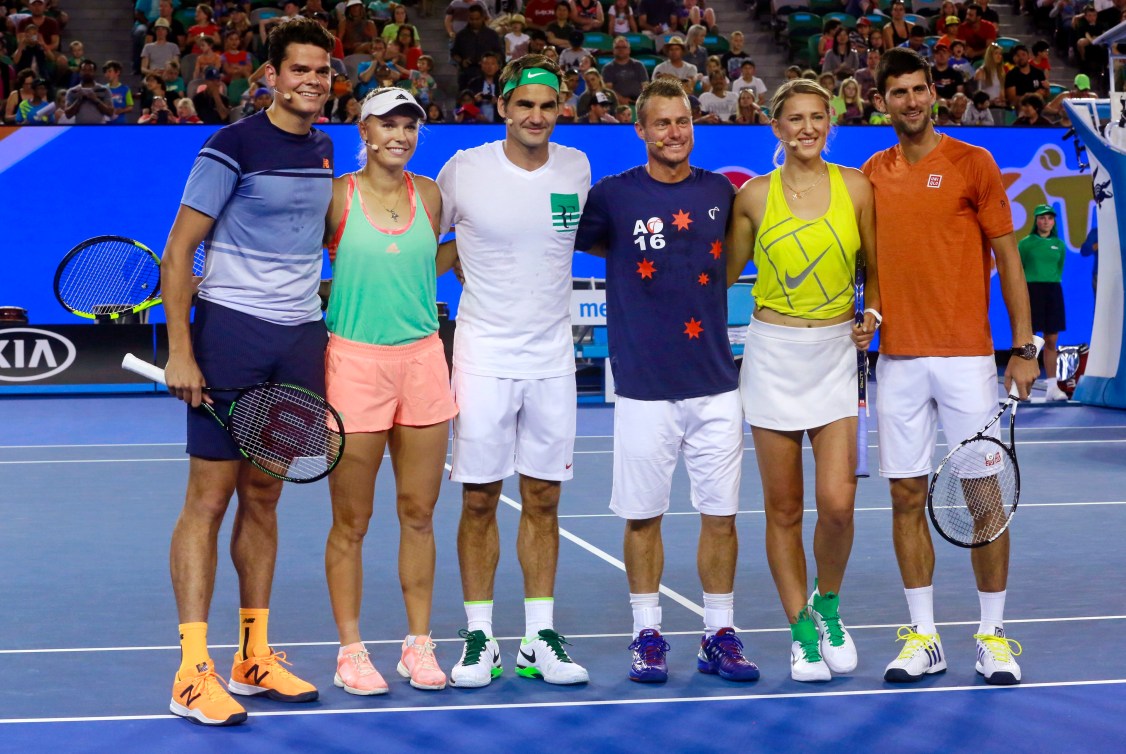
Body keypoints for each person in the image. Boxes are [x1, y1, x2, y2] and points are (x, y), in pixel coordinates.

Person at [160, 17, 336, 726]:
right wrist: (181, 348)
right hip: (231, 333)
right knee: (210, 497)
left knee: (264, 496)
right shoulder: (229, 145)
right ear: (271, 74)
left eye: (322, 72)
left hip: (298, 341)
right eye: (300, 70)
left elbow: (311, 244)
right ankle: (191, 671)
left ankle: (253, 654)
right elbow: (179, 253)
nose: (312, 82)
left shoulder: (325, 148)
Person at [574, 77, 760, 686]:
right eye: (662, 124)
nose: (674, 133)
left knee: (721, 516)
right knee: (643, 516)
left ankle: (719, 634)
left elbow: (732, 255)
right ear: (641, 131)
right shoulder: (612, 197)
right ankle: (646, 634)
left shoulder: (720, 193)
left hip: (714, 384)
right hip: (644, 386)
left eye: (682, 122)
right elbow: (592, 247)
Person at [864, 48, 1038, 687]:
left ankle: (993, 638)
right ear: (881, 101)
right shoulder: (872, 174)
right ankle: (924, 638)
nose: (910, 102)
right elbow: (871, 269)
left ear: (933, 93)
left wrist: (1023, 348)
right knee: (906, 495)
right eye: (898, 92)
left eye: (919, 90)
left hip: (968, 359)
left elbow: (1009, 260)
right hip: (900, 363)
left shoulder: (975, 163)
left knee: (985, 501)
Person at [436, 54, 591, 688]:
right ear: (502, 107)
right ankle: (479, 638)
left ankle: (537, 638)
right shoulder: (464, 170)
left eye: (546, 106)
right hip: (483, 355)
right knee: (477, 498)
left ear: (560, 110)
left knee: (544, 498)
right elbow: (431, 247)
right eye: (523, 104)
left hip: (552, 358)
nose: (535, 116)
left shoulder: (576, 168)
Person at [726, 79, 879, 683]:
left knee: (838, 506)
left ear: (830, 125)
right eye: (795, 119)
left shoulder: (858, 188)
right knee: (784, 508)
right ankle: (799, 633)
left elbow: (877, 266)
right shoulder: (754, 197)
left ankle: (829, 605)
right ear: (777, 127)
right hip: (772, 353)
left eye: (817, 118)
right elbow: (717, 275)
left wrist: (875, 315)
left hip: (836, 353)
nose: (807, 128)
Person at [321, 88, 458, 696]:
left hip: (424, 362)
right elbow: (303, 272)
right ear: (365, 131)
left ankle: (418, 645)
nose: (400, 135)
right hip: (353, 365)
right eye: (388, 125)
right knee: (352, 521)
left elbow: (434, 258)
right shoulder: (336, 198)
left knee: (419, 514)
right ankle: (351, 650)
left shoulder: (429, 195)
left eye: (409, 126)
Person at [1019, 205, 1070, 400]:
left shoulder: (1059, 245)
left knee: (1051, 340)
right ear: (1036, 221)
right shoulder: (1025, 244)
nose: (1046, 221)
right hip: (1032, 292)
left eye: (1049, 218)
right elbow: (1018, 270)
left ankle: (1052, 388)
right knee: (1030, 340)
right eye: (1042, 218)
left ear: (1054, 221)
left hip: (1053, 292)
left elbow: (1059, 268)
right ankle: (1025, 386)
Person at [64, 59, 114, 124]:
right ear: (80, 72)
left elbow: (110, 113)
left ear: (94, 72)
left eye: (90, 70)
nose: (87, 73)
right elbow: (68, 115)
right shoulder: (72, 91)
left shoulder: (104, 90)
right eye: (84, 70)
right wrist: (79, 100)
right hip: (80, 131)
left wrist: (96, 100)